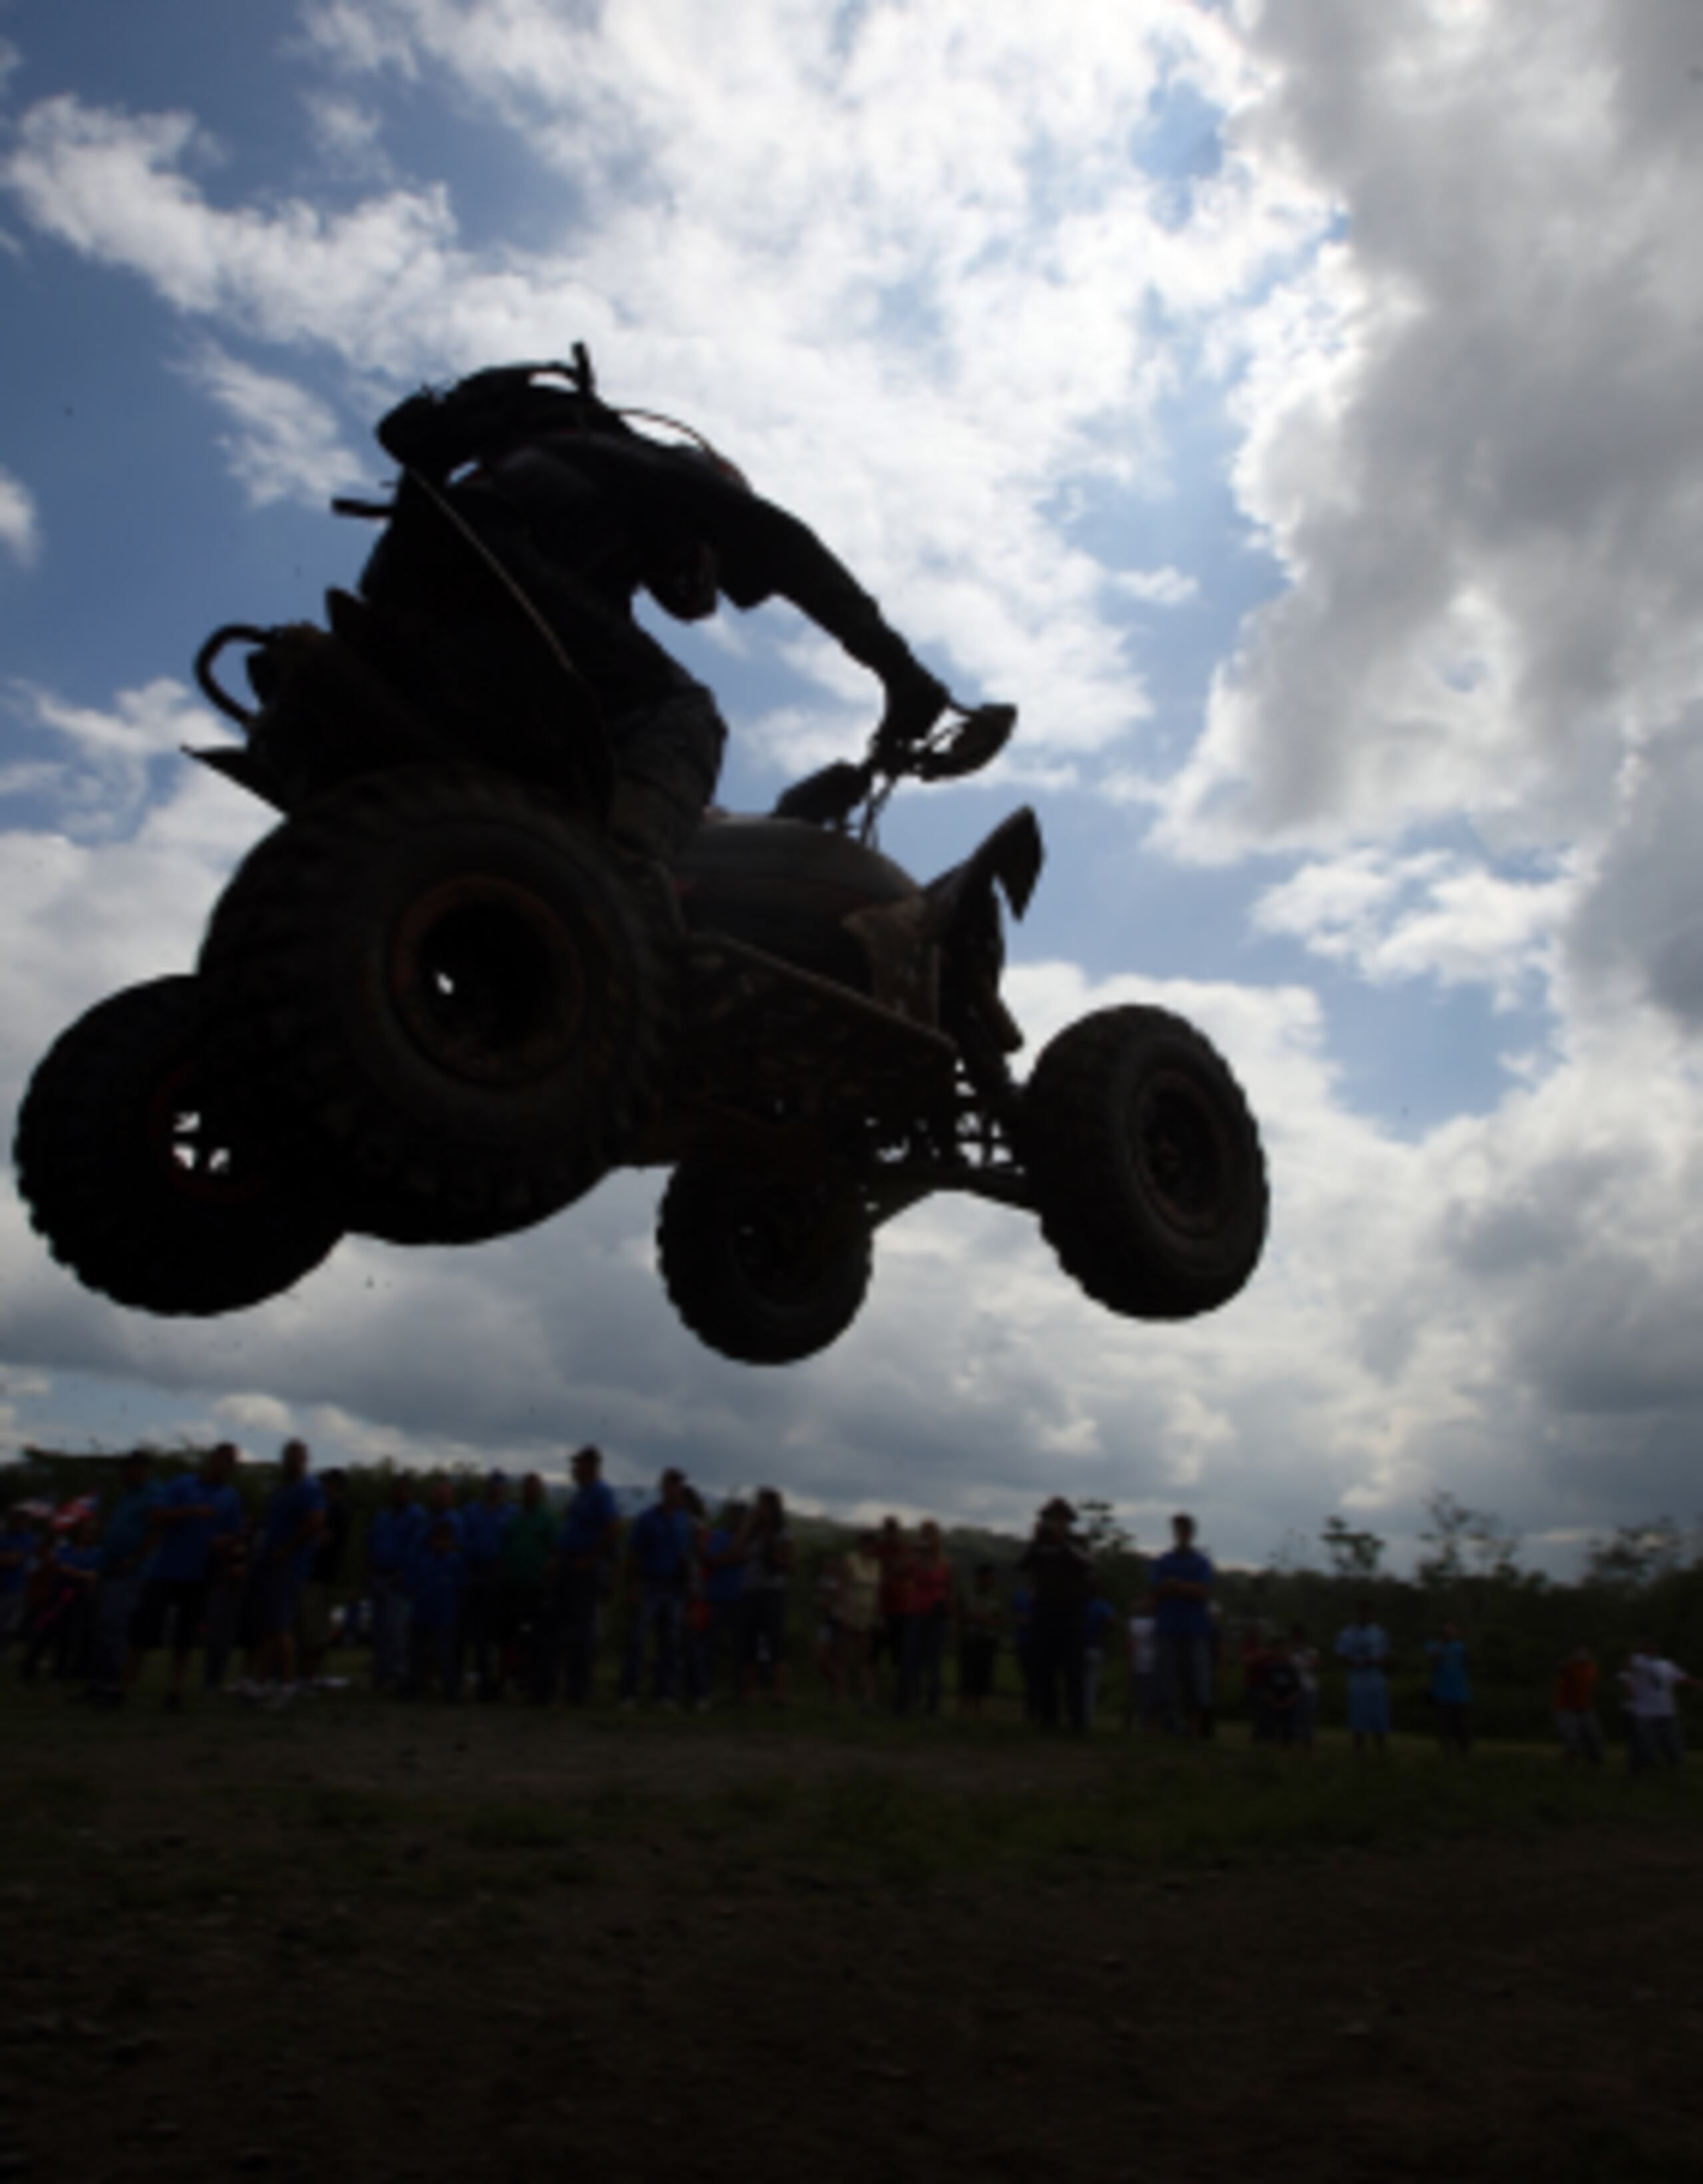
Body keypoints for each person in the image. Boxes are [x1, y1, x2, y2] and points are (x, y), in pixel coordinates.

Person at [365, 355, 953, 865]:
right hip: (481, 565)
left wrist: (783, 823)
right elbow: (785, 546)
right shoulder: (641, 468)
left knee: (583, 757)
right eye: (714, 568)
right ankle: (618, 892)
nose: (703, 590)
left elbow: (622, 756)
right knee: (681, 711)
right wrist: (901, 671)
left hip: (404, 588)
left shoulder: (582, 562)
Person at [129, 1442, 243, 1711]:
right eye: (223, 1459)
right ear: (211, 1459)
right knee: (145, 1630)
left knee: (185, 1636)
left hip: (200, 1572)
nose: (226, 1466)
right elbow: (156, 1514)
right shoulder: (183, 1484)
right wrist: (190, 1512)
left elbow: (235, 1533)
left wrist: (225, 1543)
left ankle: (175, 1690)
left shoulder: (230, 1496)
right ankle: (124, 1686)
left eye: (231, 1462)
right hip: (166, 1569)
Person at [250, 1440, 325, 1707]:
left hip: (288, 1566)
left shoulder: (310, 1488)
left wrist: (288, 1549)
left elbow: (315, 1522)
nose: (291, 1461)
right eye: (287, 1456)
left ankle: (287, 1684)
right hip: (270, 1564)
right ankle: (260, 1683)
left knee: (282, 1628)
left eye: (297, 1456)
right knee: (271, 1627)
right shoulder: (282, 1490)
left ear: (305, 1459)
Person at [86, 1451, 161, 1707]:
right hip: (110, 1568)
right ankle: (97, 1683)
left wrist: (135, 1559)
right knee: (101, 1626)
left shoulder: (154, 1494)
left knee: (114, 1625)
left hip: (131, 1572)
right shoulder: (128, 1495)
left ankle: (113, 1686)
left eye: (127, 1470)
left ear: (141, 1469)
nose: (123, 1475)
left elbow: (155, 1531)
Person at [548, 1445, 621, 1705]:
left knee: (581, 1630)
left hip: (585, 1568)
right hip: (571, 1564)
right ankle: (562, 1684)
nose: (574, 1468)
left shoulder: (601, 1494)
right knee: (563, 1626)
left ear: (591, 1467)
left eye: (578, 1464)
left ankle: (578, 1689)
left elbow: (612, 1528)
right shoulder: (582, 1495)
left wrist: (591, 1559)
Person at [1016, 1500, 1092, 1732]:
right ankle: (1048, 1718)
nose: (1055, 1523)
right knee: (1044, 1667)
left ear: (1068, 1522)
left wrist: (1063, 1544)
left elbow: (1087, 1564)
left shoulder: (1078, 1542)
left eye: (1060, 1518)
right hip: (1044, 1609)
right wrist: (1034, 1543)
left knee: (1074, 1669)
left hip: (1071, 1610)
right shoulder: (1039, 1545)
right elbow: (1022, 1565)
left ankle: (1077, 1721)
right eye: (1051, 1518)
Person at [620, 1468, 694, 1706]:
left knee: (670, 1642)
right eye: (671, 1485)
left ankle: (665, 1693)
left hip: (674, 1586)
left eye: (678, 1485)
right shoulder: (647, 1519)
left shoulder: (684, 1520)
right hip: (650, 1582)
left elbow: (687, 1554)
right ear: (663, 1488)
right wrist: (632, 1586)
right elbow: (634, 1555)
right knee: (638, 1639)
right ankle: (629, 1692)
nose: (675, 1490)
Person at [1150, 1512, 1215, 1738]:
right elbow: (1156, 1592)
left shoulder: (1201, 1562)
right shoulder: (1163, 1561)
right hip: (1168, 1627)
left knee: (1196, 1682)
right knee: (1164, 1681)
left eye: (1184, 1530)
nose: (1181, 1534)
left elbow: (1203, 1593)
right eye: (1177, 1530)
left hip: (1195, 1629)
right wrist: (1186, 1589)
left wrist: (1177, 1587)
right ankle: (1162, 1729)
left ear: (1191, 1533)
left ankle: (1194, 1729)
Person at [496, 1471, 556, 1700]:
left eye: (534, 1488)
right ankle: (507, 1680)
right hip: (513, 1584)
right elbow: (505, 1547)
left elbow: (556, 1550)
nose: (529, 1492)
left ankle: (532, 1682)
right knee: (509, 1635)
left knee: (534, 1636)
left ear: (540, 1491)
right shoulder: (515, 1518)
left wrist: (549, 1575)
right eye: (526, 1488)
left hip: (536, 1586)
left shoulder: (547, 1518)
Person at [366, 1471, 424, 1692]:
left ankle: (400, 1675)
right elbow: (371, 1543)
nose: (398, 1494)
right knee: (379, 1629)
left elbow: (415, 1548)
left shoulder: (416, 1515)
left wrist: (403, 1574)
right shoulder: (383, 1515)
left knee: (397, 1630)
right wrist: (369, 1570)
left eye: (403, 1490)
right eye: (395, 1489)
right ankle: (381, 1673)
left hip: (398, 1580)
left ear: (410, 1493)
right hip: (378, 1576)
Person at [459, 1470, 514, 1701]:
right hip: (472, 1572)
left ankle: (489, 1682)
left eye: (500, 1486)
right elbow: (462, 1539)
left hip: (496, 1574)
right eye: (493, 1485)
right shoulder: (472, 1510)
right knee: (465, 1630)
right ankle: (460, 1680)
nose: (495, 1489)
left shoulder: (510, 1513)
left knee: (491, 1633)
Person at [736, 1488, 794, 1703]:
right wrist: (747, 1525)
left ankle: (778, 1694)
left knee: (775, 1643)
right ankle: (748, 1694)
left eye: (762, 1505)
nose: (758, 1509)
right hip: (750, 1591)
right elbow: (737, 1550)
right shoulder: (751, 1531)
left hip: (773, 1592)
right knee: (748, 1642)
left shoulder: (783, 1533)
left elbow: (788, 1563)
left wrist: (768, 1534)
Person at [894, 1521, 953, 1719]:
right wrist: (914, 1551)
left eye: (930, 1534)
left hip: (936, 1618)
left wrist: (948, 1614)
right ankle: (902, 1706)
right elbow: (898, 1570)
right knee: (909, 1661)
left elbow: (949, 1590)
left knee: (934, 1665)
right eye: (924, 1534)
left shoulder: (944, 1563)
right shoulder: (916, 1560)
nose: (927, 1538)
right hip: (917, 1614)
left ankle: (932, 1709)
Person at [298, 1466, 351, 1685]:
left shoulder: (337, 1509)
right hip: (314, 1575)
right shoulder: (327, 1507)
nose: (323, 1486)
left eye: (327, 1482)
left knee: (315, 1628)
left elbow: (325, 1539)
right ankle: (307, 1675)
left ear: (335, 1485)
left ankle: (309, 1676)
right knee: (310, 1626)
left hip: (321, 1576)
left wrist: (302, 1542)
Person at [406, 1517, 465, 1700]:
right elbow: (415, 1585)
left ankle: (450, 1690)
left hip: (445, 1615)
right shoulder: (424, 1561)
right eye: (438, 1539)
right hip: (423, 1614)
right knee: (418, 1653)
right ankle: (415, 1687)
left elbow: (461, 1588)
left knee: (445, 1655)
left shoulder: (455, 1562)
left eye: (445, 1540)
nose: (441, 1544)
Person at [1621, 1639, 1698, 1772]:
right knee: (1647, 1751)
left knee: (1674, 1750)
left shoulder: (1667, 1664)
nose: (1653, 1649)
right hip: (1646, 1714)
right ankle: (1640, 1771)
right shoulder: (1639, 1661)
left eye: (1655, 1646)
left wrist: (1697, 1684)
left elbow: (1682, 1678)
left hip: (1667, 1713)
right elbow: (1627, 1666)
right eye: (1650, 1646)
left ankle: (1670, 1773)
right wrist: (1631, 1651)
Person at [1335, 1601, 1392, 1758]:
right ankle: (1358, 1752)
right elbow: (1341, 1657)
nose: (1365, 1615)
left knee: (1380, 1720)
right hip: (1358, 1683)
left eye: (1368, 1612)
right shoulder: (1347, 1633)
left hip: (1377, 1683)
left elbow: (1387, 1656)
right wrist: (1357, 1663)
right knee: (1358, 1720)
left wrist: (1379, 1662)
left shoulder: (1379, 1633)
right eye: (1362, 1612)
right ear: (1357, 1613)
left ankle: (1382, 1752)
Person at [836, 1532, 883, 1708]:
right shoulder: (850, 1560)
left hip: (867, 1614)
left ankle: (868, 1697)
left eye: (872, 1545)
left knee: (866, 1657)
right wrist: (843, 1611)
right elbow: (843, 1586)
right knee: (845, 1655)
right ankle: (842, 1695)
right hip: (850, 1611)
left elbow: (877, 1591)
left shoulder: (876, 1565)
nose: (869, 1549)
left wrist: (878, 1615)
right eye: (867, 1545)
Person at [956, 1563, 1003, 1720]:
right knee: (966, 1675)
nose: (990, 1580)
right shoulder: (967, 1595)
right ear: (980, 1578)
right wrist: (972, 1617)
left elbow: (1000, 1621)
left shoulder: (996, 1597)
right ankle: (962, 1710)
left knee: (982, 1677)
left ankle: (977, 1712)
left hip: (987, 1640)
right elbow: (959, 1615)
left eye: (991, 1578)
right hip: (970, 1639)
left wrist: (987, 1620)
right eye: (988, 1577)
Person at [1426, 1622, 1471, 1756]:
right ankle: (1446, 1752)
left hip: (1460, 1693)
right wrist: (1441, 1645)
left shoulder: (1460, 1647)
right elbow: (1433, 1661)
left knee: (1462, 1725)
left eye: (1451, 1632)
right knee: (1444, 1726)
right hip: (1442, 1693)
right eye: (1446, 1632)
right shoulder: (1434, 1646)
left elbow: (1469, 1659)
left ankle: (1464, 1752)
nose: (1449, 1635)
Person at [1552, 1645, 1603, 1766]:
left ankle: (1594, 1763)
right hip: (1566, 1708)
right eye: (1579, 1653)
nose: (1582, 1655)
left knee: (1594, 1736)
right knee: (1572, 1738)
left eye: (1585, 1653)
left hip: (1585, 1708)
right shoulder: (1569, 1667)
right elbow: (1562, 1669)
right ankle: (1569, 1763)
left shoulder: (1592, 1669)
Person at [0, 1506, 39, 1659]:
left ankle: (3, 1649)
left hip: (15, 1586)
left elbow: (14, 1560)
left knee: (7, 1622)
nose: (18, 1522)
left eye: (22, 1519)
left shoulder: (28, 1538)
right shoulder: (3, 1535)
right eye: (15, 1519)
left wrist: (6, 1558)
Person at [1081, 1583, 1120, 1730]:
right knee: (1090, 1689)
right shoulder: (1102, 1606)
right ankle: (1086, 1722)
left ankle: (1076, 1717)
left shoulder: (1079, 1604)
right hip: (1096, 1649)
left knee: (1077, 1686)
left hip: (1078, 1649)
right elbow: (1112, 1622)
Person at [1125, 1594, 1159, 1734]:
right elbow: (1130, 1645)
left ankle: (1149, 1724)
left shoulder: (1158, 1622)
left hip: (1152, 1664)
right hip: (1141, 1664)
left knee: (1150, 1696)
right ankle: (1144, 1724)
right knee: (1142, 1696)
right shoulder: (1135, 1623)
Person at [1289, 1623, 1320, 1752]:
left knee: (1308, 1717)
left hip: (1309, 1688)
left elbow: (1317, 1666)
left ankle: (1307, 1743)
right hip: (1293, 1689)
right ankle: (1294, 1741)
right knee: (1294, 1716)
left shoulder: (1311, 1651)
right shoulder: (1289, 1653)